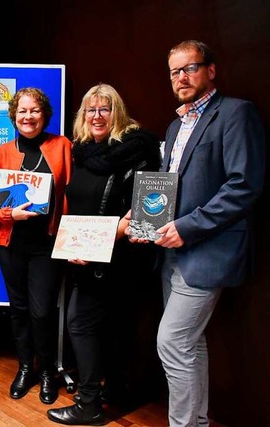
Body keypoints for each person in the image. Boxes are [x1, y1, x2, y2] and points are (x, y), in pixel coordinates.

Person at [128, 40, 265, 427]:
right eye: (174, 71)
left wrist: (185, 228)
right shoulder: (176, 125)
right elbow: (169, 186)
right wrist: (143, 219)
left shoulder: (237, 113)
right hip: (169, 251)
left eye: (190, 68)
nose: (181, 77)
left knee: (171, 341)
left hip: (207, 250)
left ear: (211, 71)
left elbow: (243, 186)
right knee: (189, 343)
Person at [46, 84, 161, 425]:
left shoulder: (139, 149)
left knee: (81, 324)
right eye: (91, 110)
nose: (97, 116)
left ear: (117, 113)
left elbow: (149, 217)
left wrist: (106, 237)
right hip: (86, 257)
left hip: (123, 259)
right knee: (102, 326)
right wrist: (75, 244)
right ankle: (111, 391)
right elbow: (77, 206)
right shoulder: (81, 151)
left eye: (105, 109)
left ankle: (90, 403)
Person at [0, 87, 72, 405]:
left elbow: (72, 193)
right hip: (10, 242)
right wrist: (10, 213)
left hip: (47, 243)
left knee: (42, 311)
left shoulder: (62, 147)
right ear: (13, 116)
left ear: (44, 114)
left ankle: (47, 371)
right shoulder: (1, 152)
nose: (28, 116)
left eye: (34, 110)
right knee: (18, 310)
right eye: (22, 111)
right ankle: (24, 368)